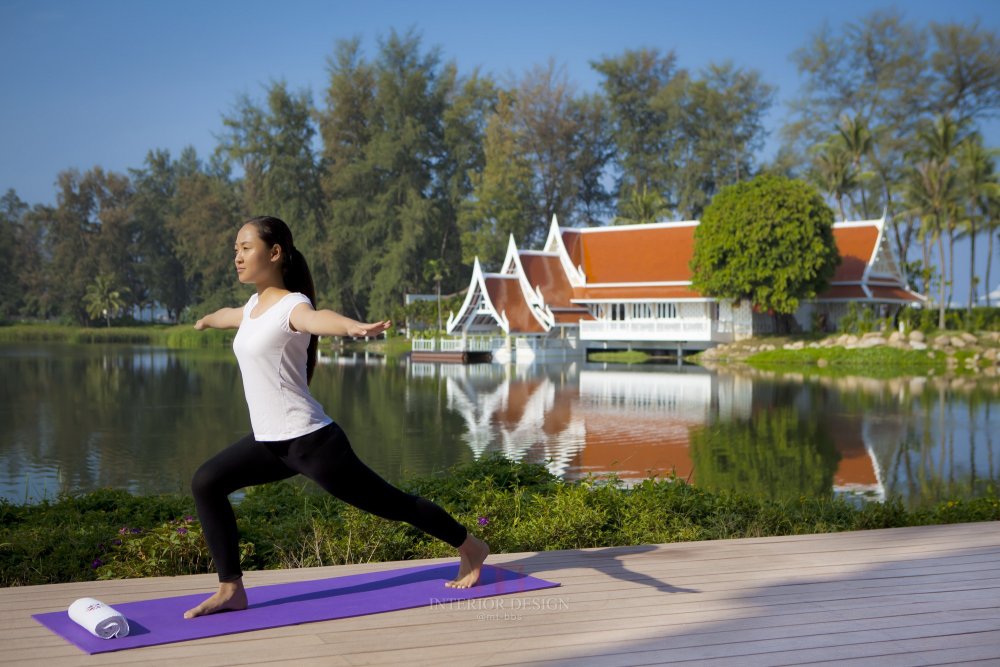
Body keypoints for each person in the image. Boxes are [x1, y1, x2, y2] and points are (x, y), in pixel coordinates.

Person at [184, 215, 489, 619]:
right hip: (269, 442)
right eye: (235, 250)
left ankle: (470, 546)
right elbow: (232, 315)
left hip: (311, 442)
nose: (236, 257)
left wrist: (353, 328)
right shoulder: (255, 305)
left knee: (391, 503)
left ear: (274, 253)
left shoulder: (293, 306)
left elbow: (317, 320)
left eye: (245, 248)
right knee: (207, 482)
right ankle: (231, 589)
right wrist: (207, 319)